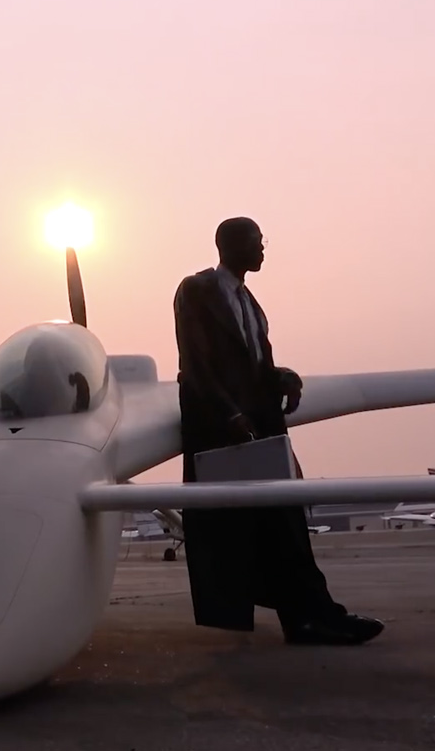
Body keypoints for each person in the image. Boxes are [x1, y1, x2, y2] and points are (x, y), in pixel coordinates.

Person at [172, 216, 385, 646]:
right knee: (245, 534)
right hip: (224, 436)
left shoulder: (249, 302)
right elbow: (195, 365)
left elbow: (254, 367)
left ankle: (311, 616)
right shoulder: (197, 290)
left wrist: (284, 377)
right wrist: (229, 414)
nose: (262, 249)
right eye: (256, 241)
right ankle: (310, 617)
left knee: (284, 525)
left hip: (258, 430)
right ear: (230, 245)